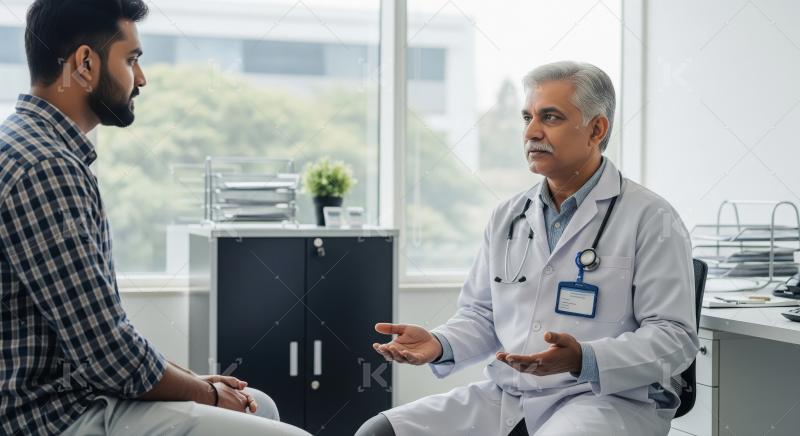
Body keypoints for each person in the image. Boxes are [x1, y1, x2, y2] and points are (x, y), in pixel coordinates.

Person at [0, 1, 309, 435]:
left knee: (261, 407)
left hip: (76, 398)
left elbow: (106, 337)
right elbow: (109, 353)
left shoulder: (25, 145)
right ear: (85, 64)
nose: (141, 79)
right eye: (131, 60)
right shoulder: (47, 167)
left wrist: (196, 382)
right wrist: (210, 395)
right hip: (55, 418)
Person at [357, 61, 698, 436]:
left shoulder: (651, 217)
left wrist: (585, 359)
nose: (531, 132)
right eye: (527, 118)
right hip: (510, 394)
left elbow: (675, 338)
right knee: (379, 432)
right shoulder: (508, 215)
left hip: (608, 400)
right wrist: (439, 343)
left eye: (550, 117)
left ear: (596, 129)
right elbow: (483, 315)